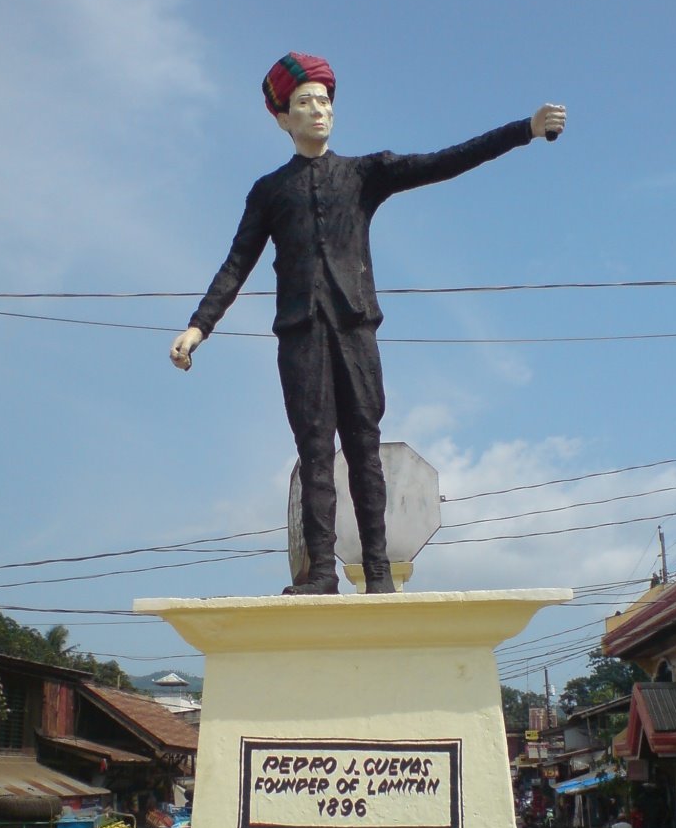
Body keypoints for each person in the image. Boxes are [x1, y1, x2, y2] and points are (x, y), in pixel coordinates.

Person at [170, 52, 566, 595]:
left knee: (363, 448)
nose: (318, 111)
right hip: (300, 333)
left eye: (325, 102)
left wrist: (523, 129)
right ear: (282, 118)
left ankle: (379, 572)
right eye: (304, 103)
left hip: (356, 330)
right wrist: (199, 326)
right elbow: (236, 263)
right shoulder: (269, 191)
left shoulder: (363, 174)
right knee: (314, 453)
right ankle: (323, 575)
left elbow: (445, 161)